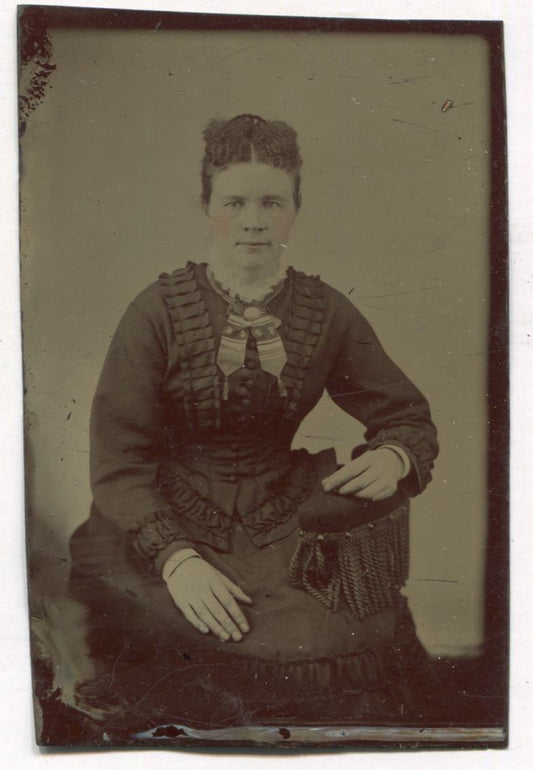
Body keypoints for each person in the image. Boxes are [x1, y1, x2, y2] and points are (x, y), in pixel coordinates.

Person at [67, 114, 439, 731]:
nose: (253, 220)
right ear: (207, 206)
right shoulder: (156, 310)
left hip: (279, 517)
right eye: (234, 201)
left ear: (296, 207)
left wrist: (395, 454)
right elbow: (117, 465)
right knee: (178, 632)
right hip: (159, 520)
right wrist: (177, 560)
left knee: (335, 631)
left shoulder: (327, 312)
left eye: (273, 201)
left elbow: (405, 414)